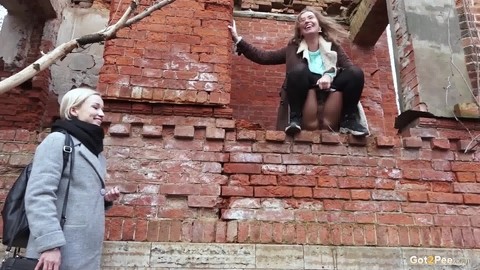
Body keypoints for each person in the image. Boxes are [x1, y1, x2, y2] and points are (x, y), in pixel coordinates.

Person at [228, 7, 369, 136]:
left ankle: (349, 121)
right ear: (300, 30)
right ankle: (295, 119)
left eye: (310, 18)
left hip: (331, 83)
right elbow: (264, 57)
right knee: (298, 70)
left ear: (319, 25)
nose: (306, 21)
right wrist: (238, 40)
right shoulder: (292, 49)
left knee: (355, 73)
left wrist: (329, 75)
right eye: (302, 20)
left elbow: (349, 69)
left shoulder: (333, 46)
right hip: (305, 83)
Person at [24, 87, 120, 270]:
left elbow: (76, 197)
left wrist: (104, 200)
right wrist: (49, 245)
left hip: (84, 251)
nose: (101, 114)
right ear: (74, 110)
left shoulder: (95, 152)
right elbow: (39, 195)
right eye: (95, 107)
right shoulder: (57, 141)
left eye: (102, 109)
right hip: (58, 252)